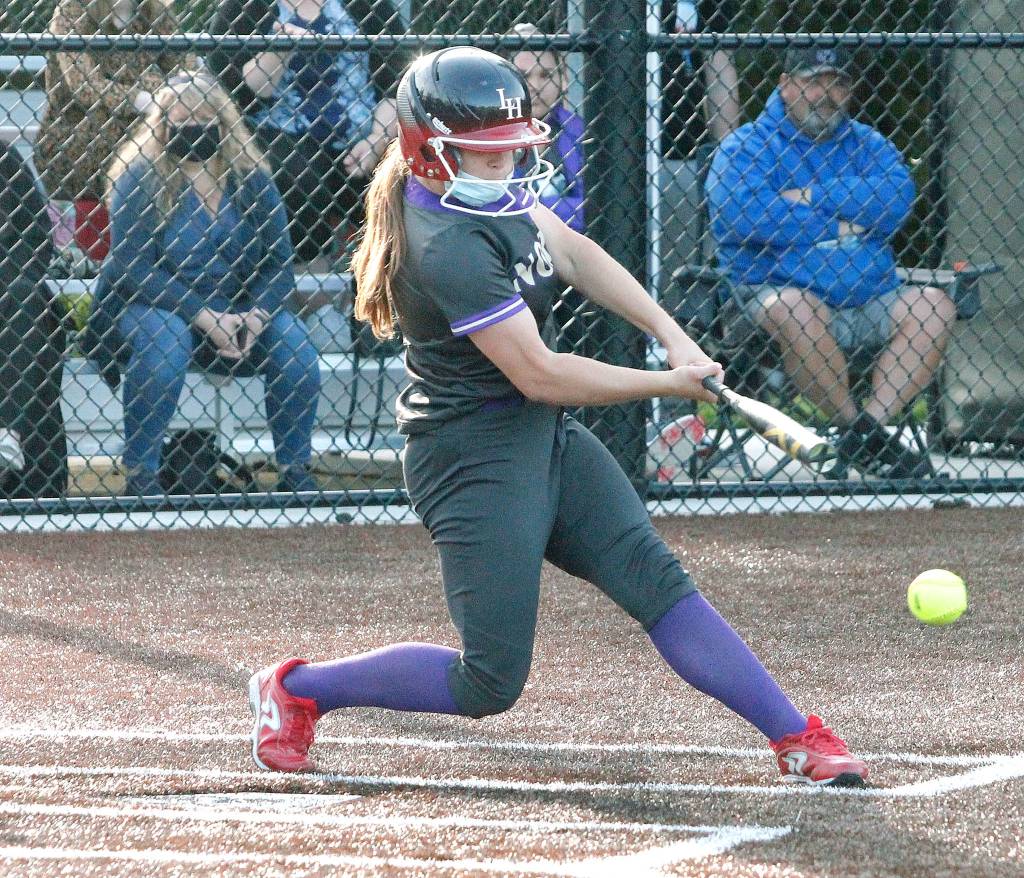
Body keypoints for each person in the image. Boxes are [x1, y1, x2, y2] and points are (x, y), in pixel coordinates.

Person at [247, 48, 869, 788]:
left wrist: (672, 332)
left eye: (513, 148)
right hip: (470, 458)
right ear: (428, 152)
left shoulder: (489, 191)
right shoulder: (446, 243)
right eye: (487, 154)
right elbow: (540, 374)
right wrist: (667, 383)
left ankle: (797, 736)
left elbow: (573, 253)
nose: (506, 165)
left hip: (536, 436)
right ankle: (299, 689)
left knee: (656, 580)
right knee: (490, 682)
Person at [707, 46, 951, 479]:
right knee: (796, 308)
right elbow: (740, 215)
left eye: (838, 83)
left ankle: (865, 435)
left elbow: (896, 199)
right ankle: (854, 427)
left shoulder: (866, 142)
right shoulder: (746, 145)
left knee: (935, 306)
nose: (827, 93)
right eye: (813, 80)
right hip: (769, 304)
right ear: (784, 85)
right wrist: (845, 224)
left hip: (868, 297)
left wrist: (810, 198)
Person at [86, 71, 321, 496]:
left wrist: (257, 314)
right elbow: (130, 268)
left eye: (202, 117)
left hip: (237, 308)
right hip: (153, 306)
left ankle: (295, 466)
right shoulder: (140, 176)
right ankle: (142, 473)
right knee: (167, 338)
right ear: (160, 126)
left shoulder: (251, 178)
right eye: (179, 120)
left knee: (295, 345)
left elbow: (279, 264)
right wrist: (203, 315)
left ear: (223, 122)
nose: (192, 128)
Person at [206, 0, 408, 263]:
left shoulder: (367, 5)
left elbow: (396, 83)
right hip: (278, 132)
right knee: (295, 181)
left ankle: (376, 276)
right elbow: (235, 94)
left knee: (395, 178)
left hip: (364, 132)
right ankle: (303, 276)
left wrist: (376, 140)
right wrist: (279, 51)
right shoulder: (248, 7)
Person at [34, 0, 192, 266]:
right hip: (78, 134)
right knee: (137, 127)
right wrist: (141, 96)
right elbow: (84, 86)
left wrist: (157, 92)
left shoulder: (156, 11)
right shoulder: (72, 9)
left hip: (148, 125)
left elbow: (185, 70)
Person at [510, 22, 587, 353]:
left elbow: (592, 209)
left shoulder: (577, 133)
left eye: (546, 75)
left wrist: (528, 211)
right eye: (524, 77)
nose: (535, 87)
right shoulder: (485, 138)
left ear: (563, 80)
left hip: (568, 264)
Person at [656, 1, 740, 306]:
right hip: (616, 145)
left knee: (678, 260)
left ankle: (677, 334)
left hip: (682, 152)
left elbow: (719, 65)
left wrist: (727, 152)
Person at [0, 142, 68, 498]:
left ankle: (7, 435)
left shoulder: (5, 159)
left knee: (29, 303)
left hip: (7, 295)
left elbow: (36, 242)